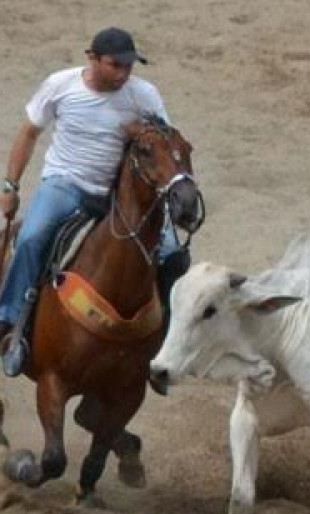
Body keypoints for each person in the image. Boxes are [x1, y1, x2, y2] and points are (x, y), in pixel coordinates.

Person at [0, 27, 190, 377]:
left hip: (120, 199)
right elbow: (28, 132)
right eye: (115, 65)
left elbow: (167, 142)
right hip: (66, 185)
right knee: (30, 238)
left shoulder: (143, 94)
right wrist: (10, 185)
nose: (123, 74)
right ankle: (10, 323)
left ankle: (165, 339)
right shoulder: (61, 86)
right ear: (92, 58)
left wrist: (142, 136)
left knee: (173, 257)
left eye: (128, 67)